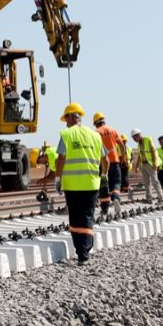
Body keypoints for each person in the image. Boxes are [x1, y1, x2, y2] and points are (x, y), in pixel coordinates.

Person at [55, 102, 107, 265]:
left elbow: (61, 158)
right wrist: (104, 174)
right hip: (91, 184)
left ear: (72, 116)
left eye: (66, 118)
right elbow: (105, 159)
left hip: (72, 185)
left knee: (75, 217)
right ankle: (84, 252)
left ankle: (82, 252)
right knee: (87, 217)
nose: (65, 122)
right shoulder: (95, 135)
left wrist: (58, 178)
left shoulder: (66, 134)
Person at [92, 112, 125, 216]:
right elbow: (121, 145)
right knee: (116, 182)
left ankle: (105, 209)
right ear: (103, 121)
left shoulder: (95, 133)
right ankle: (115, 198)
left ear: (95, 123)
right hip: (114, 161)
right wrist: (123, 158)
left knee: (103, 185)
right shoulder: (112, 130)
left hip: (102, 163)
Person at [131, 128, 163, 203]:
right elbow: (140, 155)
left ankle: (161, 198)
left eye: (135, 137)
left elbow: (152, 150)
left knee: (155, 181)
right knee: (146, 182)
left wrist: (154, 163)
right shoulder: (138, 145)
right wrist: (136, 167)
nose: (134, 139)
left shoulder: (147, 140)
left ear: (139, 135)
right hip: (144, 164)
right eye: (133, 138)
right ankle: (149, 199)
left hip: (151, 164)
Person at [120, 133, 133, 202]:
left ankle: (126, 189)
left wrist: (129, 163)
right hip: (120, 164)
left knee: (125, 177)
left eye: (124, 141)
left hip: (126, 165)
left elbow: (131, 157)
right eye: (122, 141)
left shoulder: (129, 149)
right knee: (121, 177)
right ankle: (122, 188)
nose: (123, 142)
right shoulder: (117, 148)